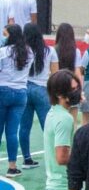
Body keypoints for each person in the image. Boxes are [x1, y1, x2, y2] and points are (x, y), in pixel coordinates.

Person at [44, 70, 84, 190]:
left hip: (57, 187)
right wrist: (84, 158)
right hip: (64, 189)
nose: (77, 92)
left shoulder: (54, 112)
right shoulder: (64, 119)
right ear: (60, 94)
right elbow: (61, 157)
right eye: (73, 89)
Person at [19, 22, 59, 169]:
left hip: (24, 88)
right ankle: (53, 158)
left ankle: (27, 159)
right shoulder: (49, 51)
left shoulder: (22, 51)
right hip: (42, 89)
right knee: (47, 126)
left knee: (24, 126)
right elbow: (55, 74)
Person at [0, 24, 33, 177]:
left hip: (3, 90)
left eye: (4, 34)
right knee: (12, 132)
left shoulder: (3, 52)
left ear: (10, 36)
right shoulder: (28, 52)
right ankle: (12, 166)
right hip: (21, 92)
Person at [54, 23, 84, 125]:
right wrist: (80, 90)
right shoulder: (76, 51)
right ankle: (72, 140)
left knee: (58, 117)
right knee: (73, 120)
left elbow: (52, 72)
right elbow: (77, 72)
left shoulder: (54, 50)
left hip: (58, 86)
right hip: (72, 86)